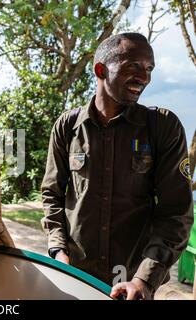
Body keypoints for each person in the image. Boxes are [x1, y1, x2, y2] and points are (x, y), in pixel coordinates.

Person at [41, 33, 193, 300]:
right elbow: (52, 195)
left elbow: (176, 214)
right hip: (74, 277)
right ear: (100, 70)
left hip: (130, 285)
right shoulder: (67, 127)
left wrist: (144, 280)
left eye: (148, 69)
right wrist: (58, 252)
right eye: (132, 66)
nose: (143, 78)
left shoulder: (162, 128)